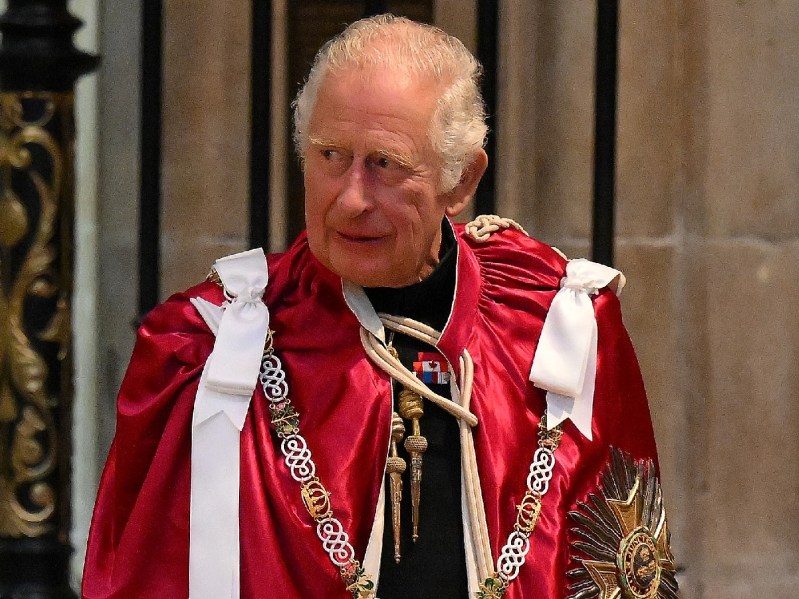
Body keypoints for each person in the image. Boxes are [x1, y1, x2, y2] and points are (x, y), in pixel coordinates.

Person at [83, 14, 678, 599]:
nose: (350, 200)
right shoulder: (205, 348)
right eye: (329, 156)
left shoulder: (560, 324)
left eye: (385, 164)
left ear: (462, 179)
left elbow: (622, 569)